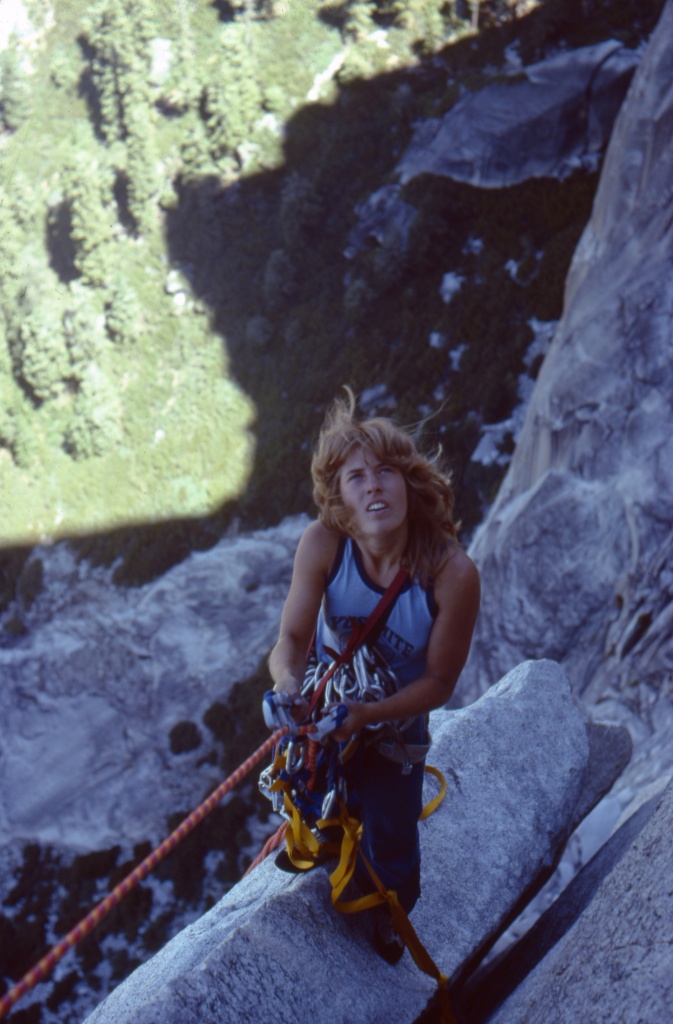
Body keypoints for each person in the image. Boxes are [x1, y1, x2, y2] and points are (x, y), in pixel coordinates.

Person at [268, 388, 480, 961]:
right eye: (357, 477)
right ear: (339, 496)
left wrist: (368, 715)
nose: (373, 485)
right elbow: (289, 642)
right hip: (330, 700)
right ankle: (320, 840)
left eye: (387, 471)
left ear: (409, 484)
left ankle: (389, 914)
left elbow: (438, 683)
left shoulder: (450, 573)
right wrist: (287, 688)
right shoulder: (323, 545)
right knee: (312, 792)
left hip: (394, 728)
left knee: (393, 841)